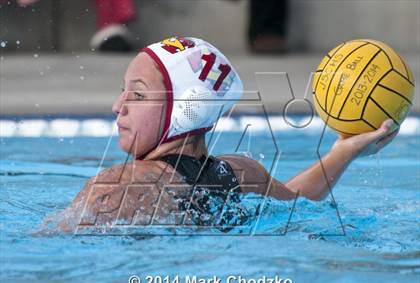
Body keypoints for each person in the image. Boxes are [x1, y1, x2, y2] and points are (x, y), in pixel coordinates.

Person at [48, 37, 398, 233]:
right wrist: (345, 151)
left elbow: (50, 246)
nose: (117, 106)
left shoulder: (116, 188)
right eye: (123, 91)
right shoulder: (241, 174)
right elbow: (297, 201)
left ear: (185, 109)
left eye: (138, 94)